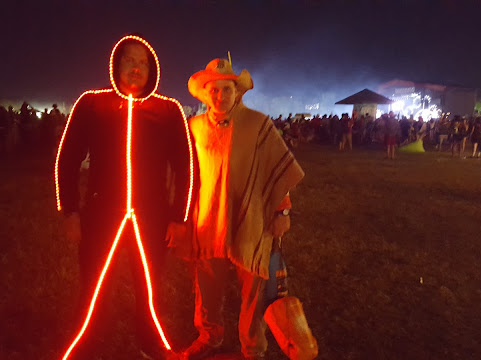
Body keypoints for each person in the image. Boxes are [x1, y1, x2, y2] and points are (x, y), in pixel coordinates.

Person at [55, 34, 193, 360]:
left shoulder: (168, 109)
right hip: (101, 213)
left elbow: (185, 166)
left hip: (152, 216)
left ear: (152, 70)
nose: (136, 68)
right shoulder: (91, 103)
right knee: (94, 288)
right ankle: (82, 349)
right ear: (117, 64)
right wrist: (70, 212)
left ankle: (152, 344)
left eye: (144, 62)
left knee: (150, 288)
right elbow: (68, 158)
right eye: (130, 60)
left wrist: (179, 218)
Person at [172, 59, 305, 360]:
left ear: (238, 92)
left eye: (227, 89)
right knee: (207, 284)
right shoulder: (192, 128)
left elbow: (276, 168)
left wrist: (282, 211)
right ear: (206, 94)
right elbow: (182, 176)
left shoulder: (258, 125)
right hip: (207, 219)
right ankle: (209, 336)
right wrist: (177, 218)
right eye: (215, 90)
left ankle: (252, 347)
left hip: (252, 219)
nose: (221, 96)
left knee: (254, 289)